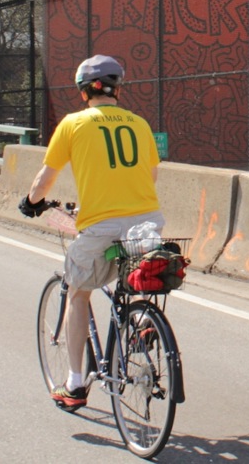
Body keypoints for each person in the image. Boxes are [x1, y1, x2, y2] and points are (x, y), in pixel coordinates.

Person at [18, 54, 164, 412]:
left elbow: (46, 178)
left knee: (78, 293)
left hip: (102, 225)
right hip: (148, 220)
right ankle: (141, 321)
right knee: (133, 274)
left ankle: (74, 383)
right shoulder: (139, 124)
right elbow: (151, 176)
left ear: (84, 90)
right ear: (118, 88)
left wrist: (30, 202)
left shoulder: (73, 123)